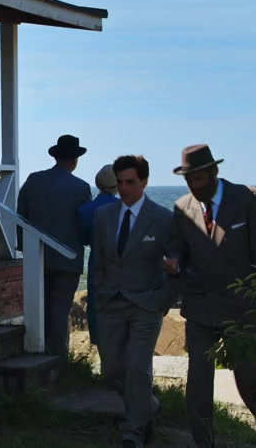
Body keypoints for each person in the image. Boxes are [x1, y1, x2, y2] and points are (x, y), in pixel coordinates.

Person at [162, 144, 256, 448]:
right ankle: (203, 442)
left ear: (213, 172)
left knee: (248, 378)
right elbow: (178, 248)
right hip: (199, 306)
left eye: (198, 178)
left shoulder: (246, 198)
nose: (193, 185)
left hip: (240, 308)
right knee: (198, 383)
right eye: (188, 180)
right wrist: (173, 261)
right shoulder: (182, 207)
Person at [89, 155, 176, 448]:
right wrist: (100, 293)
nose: (124, 188)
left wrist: (163, 300)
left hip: (146, 305)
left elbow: (178, 261)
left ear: (144, 182)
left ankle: (133, 433)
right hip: (110, 303)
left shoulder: (163, 218)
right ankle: (147, 405)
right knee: (111, 371)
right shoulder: (103, 216)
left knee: (138, 368)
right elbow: (98, 261)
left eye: (130, 182)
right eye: (120, 182)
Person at [17, 134, 91, 357]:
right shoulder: (81, 187)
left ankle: (35, 351)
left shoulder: (33, 180)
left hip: (37, 257)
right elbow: (85, 225)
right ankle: (56, 358)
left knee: (39, 308)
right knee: (59, 311)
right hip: (68, 259)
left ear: (56, 157)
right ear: (75, 160)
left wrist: (23, 246)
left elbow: (21, 216)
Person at [76, 164, 120, 339]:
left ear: (97, 183)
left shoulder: (85, 211)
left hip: (97, 265)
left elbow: (83, 239)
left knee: (99, 315)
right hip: (124, 267)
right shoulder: (126, 209)